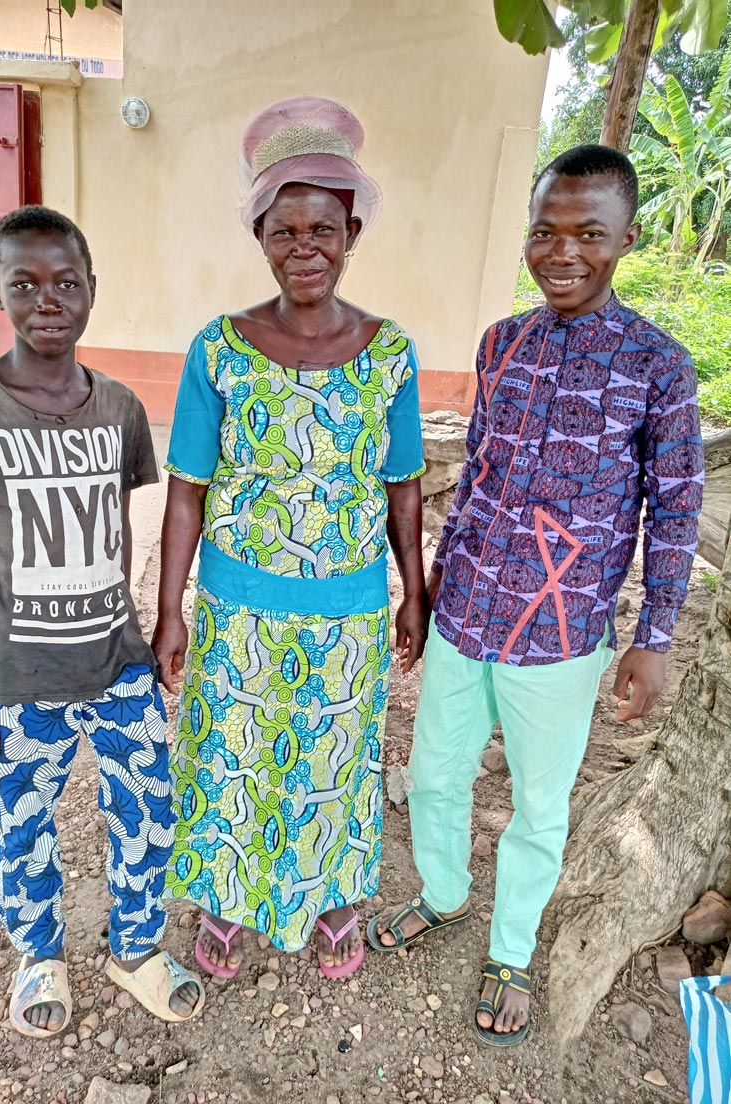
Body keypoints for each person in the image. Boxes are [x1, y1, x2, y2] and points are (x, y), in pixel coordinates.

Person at [368, 146, 704, 1045]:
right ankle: (442, 894)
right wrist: (434, 580)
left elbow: (675, 511)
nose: (561, 252)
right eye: (544, 232)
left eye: (588, 234)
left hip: (562, 636)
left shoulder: (660, 367)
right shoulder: (501, 343)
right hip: (467, 614)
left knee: (538, 805)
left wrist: (655, 637)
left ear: (626, 239)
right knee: (434, 773)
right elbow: (478, 472)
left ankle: (511, 948)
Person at [155, 96, 427, 981]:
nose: (304, 247)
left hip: (346, 606)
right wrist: (169, 610)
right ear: (260, 237)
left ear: (352, 233)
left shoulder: (390, 353)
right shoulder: (220, 349)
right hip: (237, 608)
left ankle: (337, 898)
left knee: (338, 758)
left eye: (323, 227)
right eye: (284, 229)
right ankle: (228, 905)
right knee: (230, 759)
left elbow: (404, 486)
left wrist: (412, 590)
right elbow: (187, 490)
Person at [0, 206, 205, 1038]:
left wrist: (156, 624)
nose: (49, 301)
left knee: (148, 813)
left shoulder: (116, 407)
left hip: (116, 667)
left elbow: (121, 526)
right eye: (26, 284)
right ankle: (39, 953)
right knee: (21, 828)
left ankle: (137, 948)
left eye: (66, 283)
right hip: (15, 681)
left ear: (91, 289)